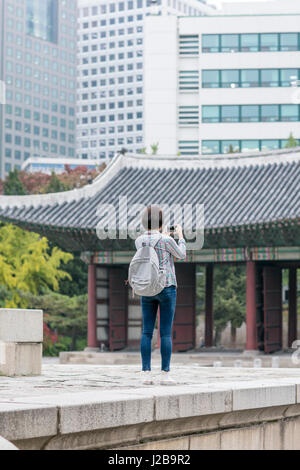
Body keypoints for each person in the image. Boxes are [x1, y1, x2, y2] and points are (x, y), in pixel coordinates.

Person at [135, 205, 186, 385]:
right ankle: (165, 374)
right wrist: (179, 236)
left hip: (147, 286)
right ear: (162, 222)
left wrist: (161, 233)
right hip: (166, 286)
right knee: (165, 333)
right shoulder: (166, 240)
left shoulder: (139, 240)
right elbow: (181, 255)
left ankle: (145, 373)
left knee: (147, 331)